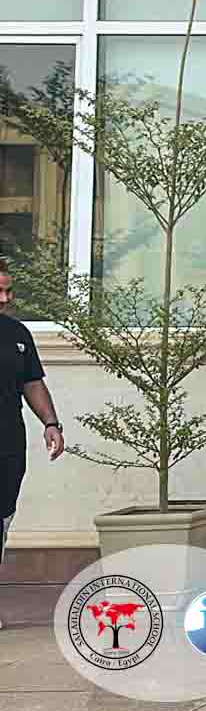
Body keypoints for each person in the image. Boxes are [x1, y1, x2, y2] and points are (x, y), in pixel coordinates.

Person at [0, 258, 63, 624]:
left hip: (8, 443)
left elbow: (32, 382)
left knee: (2, 518)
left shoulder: (17, 334)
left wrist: (51, 423)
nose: (5, 298)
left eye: (9, 291)